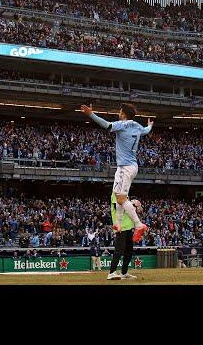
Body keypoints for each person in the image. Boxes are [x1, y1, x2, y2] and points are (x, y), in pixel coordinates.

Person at [80, 102, 152, 243]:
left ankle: (138, 225)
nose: (119, 113)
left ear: (123, 114)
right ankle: (118, 224)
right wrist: (150, 125)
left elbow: (106, 125)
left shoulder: (122, 124)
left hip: (125, 167)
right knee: (117, 194)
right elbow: (146, 130)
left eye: (120, 111)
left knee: (121, 199)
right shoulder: (137, 126)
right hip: (128, 167)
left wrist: (91, 114)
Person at [106, 193, 140, 280]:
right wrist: (132, 203)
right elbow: (119, 205)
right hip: (121, 227)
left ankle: (124, 272)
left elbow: (129, 207)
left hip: (128, 226)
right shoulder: (115, 194)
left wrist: (135, 205)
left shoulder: (125, 194)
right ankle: (112, 272)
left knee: (129, 250)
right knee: (119, 250)